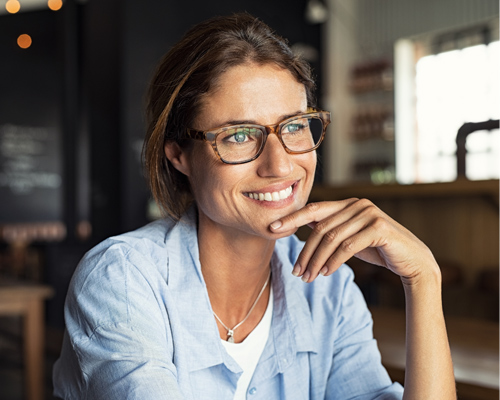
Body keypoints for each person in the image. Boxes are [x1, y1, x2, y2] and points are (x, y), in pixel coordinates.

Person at [53, 13, 456, 400]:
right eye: (240, 136)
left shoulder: (328, 289)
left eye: (295, 126)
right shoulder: (123, 281)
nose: (280, 165)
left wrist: (423, 278)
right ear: (178, 154)